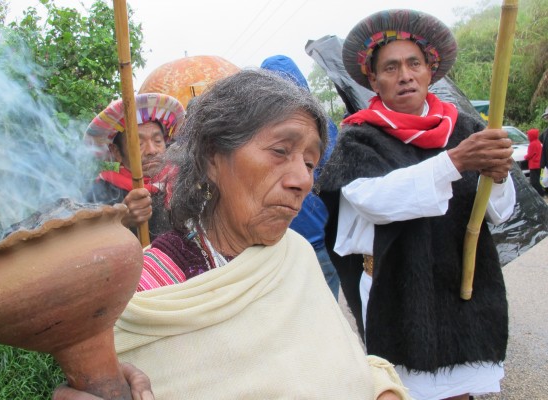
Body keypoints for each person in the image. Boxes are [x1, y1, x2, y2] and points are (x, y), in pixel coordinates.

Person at [54, 69, 410, 400]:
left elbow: (342, 359)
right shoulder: (146, 289)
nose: (303, 180)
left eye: (309, 162)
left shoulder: (296, 254)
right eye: (280, 151)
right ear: (212, 157)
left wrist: (382, 390)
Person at [317, 9, 516, 400]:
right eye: (390, 68)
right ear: (373, 79)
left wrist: (500, 175)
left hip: (462, 284)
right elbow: (375, 200)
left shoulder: (466, 128)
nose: (404, 75)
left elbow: (499, 212)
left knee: (461, 389)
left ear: (431, 71)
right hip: (397, 289)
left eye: (414, 64)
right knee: (402, 389)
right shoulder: (360, 136)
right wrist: (455, 162)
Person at [260, 54, 341, 300]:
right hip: (322, 240)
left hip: (285, 245)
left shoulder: (263, 128)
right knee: (326, 317)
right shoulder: (323, 125)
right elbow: (336, 175)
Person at [84, 93, 184, 240]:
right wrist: (121, 221)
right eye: (138, 144)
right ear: (117, 152)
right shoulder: (101, 192)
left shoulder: (181, 180)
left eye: (157, 140)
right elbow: (90, 243)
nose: (151, 151)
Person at [524, 128, 543, 196]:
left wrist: (525, 157)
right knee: (538, 179)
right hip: (539, 164)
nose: (528, 137)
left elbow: (529, 155)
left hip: (534, 165)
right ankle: (541, 192)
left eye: (528, 135)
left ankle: (539, 193)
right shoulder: (538, 142)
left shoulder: (532, 144)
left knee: (534, 181)